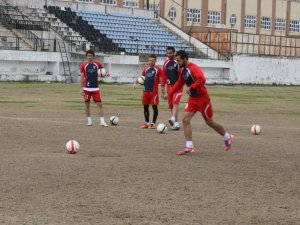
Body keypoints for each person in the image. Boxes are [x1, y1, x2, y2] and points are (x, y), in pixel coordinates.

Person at [169, 50, 234, 155]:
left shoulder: (193, 68)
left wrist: (191, 87)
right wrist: (170, 93)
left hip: (202, 99)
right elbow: (179, 83)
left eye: (179, 61)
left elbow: (202, 80)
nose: (177, 63)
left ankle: (227, 136)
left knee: (209, 122)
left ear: (185, 59)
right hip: (192, 99)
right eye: (176, 61)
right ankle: (189, 146)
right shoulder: (182, 70)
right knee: (185, 120)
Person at [80, 49, 109, 127]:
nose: (90, 57)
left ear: (93, 57)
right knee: (87, 105)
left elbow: (103, 71)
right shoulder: (83, 65)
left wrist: (106, 73)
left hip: (96, 88)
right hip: (86, 88)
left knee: (100, 104)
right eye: (88, 56)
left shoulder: (97, 64)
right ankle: (89, 121)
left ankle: (102, 121)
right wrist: (81, 89)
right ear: (86, 57)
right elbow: (82, 77)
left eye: (91, 56)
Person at [133, 54, 163, 129]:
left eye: (152, 61)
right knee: (145, 107)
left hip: (153, 92)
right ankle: (147, 123)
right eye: (149, 60)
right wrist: (135, 83)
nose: (150, 62)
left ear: (155, 61)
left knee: (154, 107)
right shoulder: (146, 69)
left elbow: (161, 80)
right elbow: (141, 78)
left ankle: (153, 123)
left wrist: (162, 87)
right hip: (145, 91)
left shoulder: (158, 69)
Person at [161, 46, 182, 130]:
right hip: (169, 87)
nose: (169, 54)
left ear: (174, 53)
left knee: (175, 102)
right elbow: (164, 75)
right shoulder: (166, 63)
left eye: (170, 53)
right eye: (167, 53)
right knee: (171, 106)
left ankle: (173, 118)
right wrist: (162, 86)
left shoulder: (177, 63)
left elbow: (181, 74)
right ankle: (176, 123)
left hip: (178, 87)